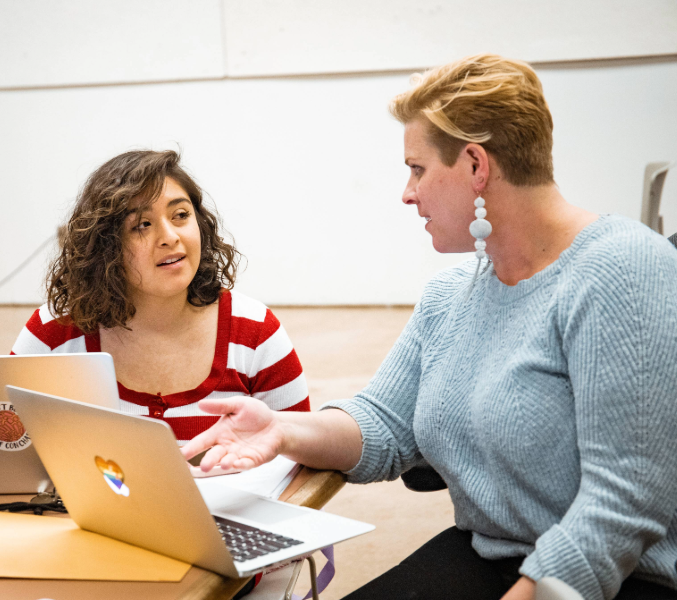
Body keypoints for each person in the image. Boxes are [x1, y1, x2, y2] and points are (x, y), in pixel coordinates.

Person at [182, 55, 677, 600]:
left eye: (417, 169)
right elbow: (383, 423)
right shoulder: (451, 294)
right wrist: (281, 430)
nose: (407, 192)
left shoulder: (623, 271)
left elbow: (623, 503)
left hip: (615, 577)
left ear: (475, 165)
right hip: (491, 554)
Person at [11, 149, 310, 445]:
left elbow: (301, 457)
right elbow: (2, 449)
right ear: (105, 246)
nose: (170, 237)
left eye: (180, 215)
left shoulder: (256, 332)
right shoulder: (53, 332)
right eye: (142, 225)